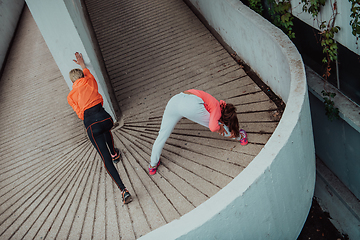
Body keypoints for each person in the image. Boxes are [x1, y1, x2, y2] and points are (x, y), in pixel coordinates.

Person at [67, 52, 132, 204]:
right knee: (105, 129)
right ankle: (115, 154)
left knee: (105, 158)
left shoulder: (71, 96)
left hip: (91, 124)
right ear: (82, 76)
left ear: (72, 81)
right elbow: (85, 70)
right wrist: (81, 62)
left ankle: (124, 190)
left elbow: (80, 115)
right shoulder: (89, 79)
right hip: (105, 118)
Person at [149, 89, 248, 175]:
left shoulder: (215, 102)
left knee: (162, 135)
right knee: (217, 125)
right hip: (192, 106)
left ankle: (152, 165)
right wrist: (219, 127)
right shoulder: (216, 109)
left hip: (175, 101)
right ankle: (240, 137)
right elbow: (213, 127)